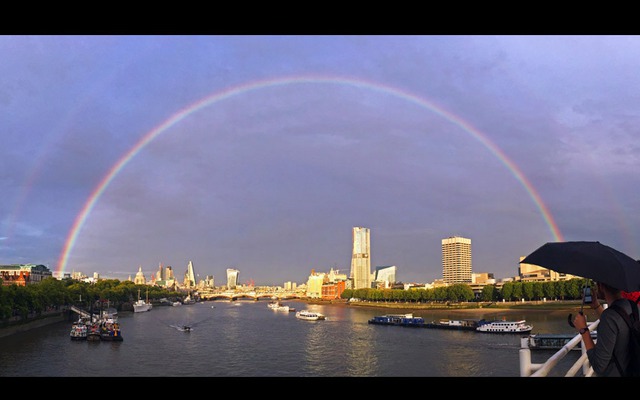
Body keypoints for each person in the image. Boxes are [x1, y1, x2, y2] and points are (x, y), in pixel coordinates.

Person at [573, 281, 634, 376]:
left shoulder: (609, 317)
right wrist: (596, 306)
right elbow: (618, 323)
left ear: (601, 287)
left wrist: (584, 330)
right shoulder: (633, 306)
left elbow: (599, 366)